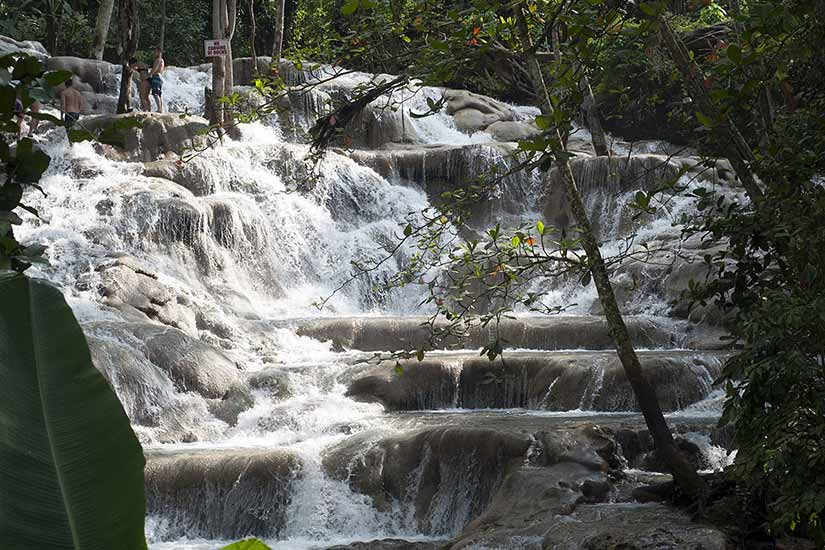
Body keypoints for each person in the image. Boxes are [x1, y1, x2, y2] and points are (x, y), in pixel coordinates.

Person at [149, 47, 165, 113]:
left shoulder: (158, 60)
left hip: (156, 76)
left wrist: (149, 74)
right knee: (159, 94)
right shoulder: (162, 60)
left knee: (155, 94)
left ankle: (159, 109)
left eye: (155, 51)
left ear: (159, 52)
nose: (154, 53)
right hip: (160, 77)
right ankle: (161, 109)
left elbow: (155, 69)